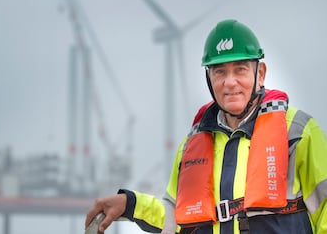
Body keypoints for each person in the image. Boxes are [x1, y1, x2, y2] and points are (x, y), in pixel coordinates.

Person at [85, 19, 327, 233]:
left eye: (240, 70)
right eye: (220, 71)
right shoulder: (191, 145)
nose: (230, 82)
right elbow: (177, 218)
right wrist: (130, 204)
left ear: (260, 73)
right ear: (209, 78)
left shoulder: (297, 131)